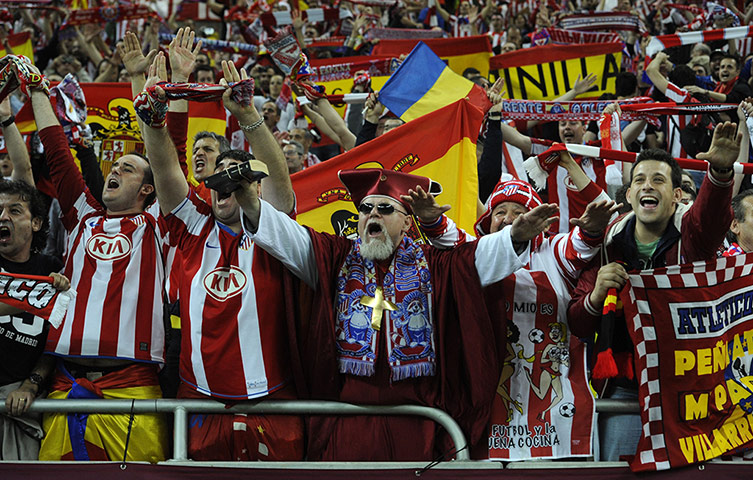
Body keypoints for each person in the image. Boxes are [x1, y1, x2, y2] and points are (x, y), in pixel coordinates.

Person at [243, 165, 560, 460]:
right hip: (347, 424)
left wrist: (516, 236)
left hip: (416, 426)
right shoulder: (335, 257)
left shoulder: (436, 265)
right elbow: (287, 236)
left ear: (408, 221)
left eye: (384, 209)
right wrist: (248, 201)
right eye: (366, 209)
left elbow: (479, 258)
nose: (373, 216)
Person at [137, 54, 302, 461]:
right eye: (217, 177)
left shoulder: (274, 231)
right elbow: (164, 168)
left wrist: (247, 113)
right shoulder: (193, 225)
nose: (224, 183)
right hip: (201, 404)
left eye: (237, 175)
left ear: (254, 187)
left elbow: (279, 181)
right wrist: (156, 121)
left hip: (273, 403)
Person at [568, 123, 741, 462]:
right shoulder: (605, 246)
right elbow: (578, 324)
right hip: (622, 393)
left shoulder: (693, 239)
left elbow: (710, 218)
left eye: (659, 180)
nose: (648, 185)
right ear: (630, 195)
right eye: (640, 181)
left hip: (690, 395)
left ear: (677, 195)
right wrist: (596, 295)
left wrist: (720, 175)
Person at [25, 63, 169, 462]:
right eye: (115, 166)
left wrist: (157, 106)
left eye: (128, 168)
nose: (115, 170)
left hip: (133, 385)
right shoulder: (82, 217)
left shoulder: (159, 223)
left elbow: (170, 166)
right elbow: (57, 153)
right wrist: (38, 92)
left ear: (146, 189)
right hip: (65, 383)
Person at [0, 180, 70, 460]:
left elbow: (57, 338)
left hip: (21, 401)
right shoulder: (45, 286)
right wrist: (34, 299)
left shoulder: (50, 271)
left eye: (14, 211)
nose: (3, 217)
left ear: (36, 224)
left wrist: (31, 383)